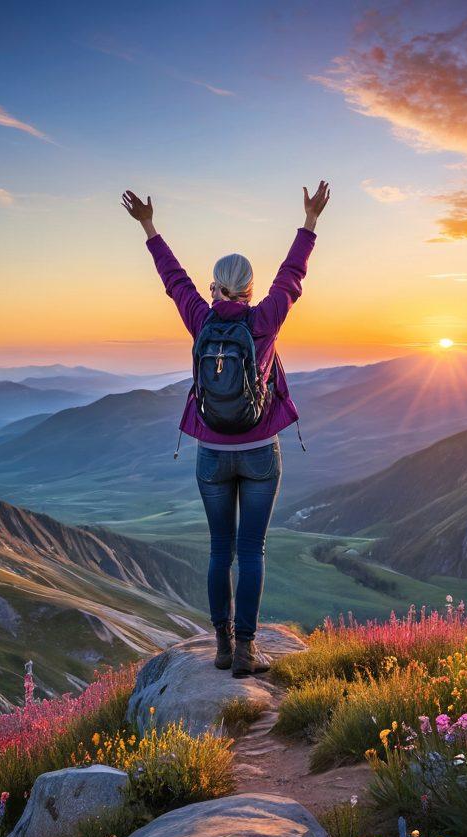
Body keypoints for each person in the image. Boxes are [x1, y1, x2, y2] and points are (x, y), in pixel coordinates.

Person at [121, 181, 330, 677]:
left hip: (211, 453)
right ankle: (245, 651)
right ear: (251, 289)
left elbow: (173, 279)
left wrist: (149, 226)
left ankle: (219, 646)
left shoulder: (201, 318)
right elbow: (293, 273)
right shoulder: (264, 320)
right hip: (260, 451)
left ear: (216, 287)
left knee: (220, 551)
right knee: (250, 551)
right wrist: (310, 220)